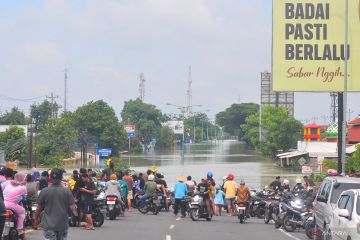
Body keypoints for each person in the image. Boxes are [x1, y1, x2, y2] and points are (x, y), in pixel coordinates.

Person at [35, 168, 75, 240]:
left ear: (50, 177)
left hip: (48, 225)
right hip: (62, 224)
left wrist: (36, 219)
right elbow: (72, 208)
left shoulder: (44, 191)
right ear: (61, 177)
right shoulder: (67, 191)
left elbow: (39, 208)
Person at [2, 172, 27, 239]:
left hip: (2, 204)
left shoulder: (7, 182)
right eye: (25, 178)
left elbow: (1, 189)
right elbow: (24, 198)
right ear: (22, 179)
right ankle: (20, 228)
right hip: (12, 205)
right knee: (22, 211)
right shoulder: (23, 187)